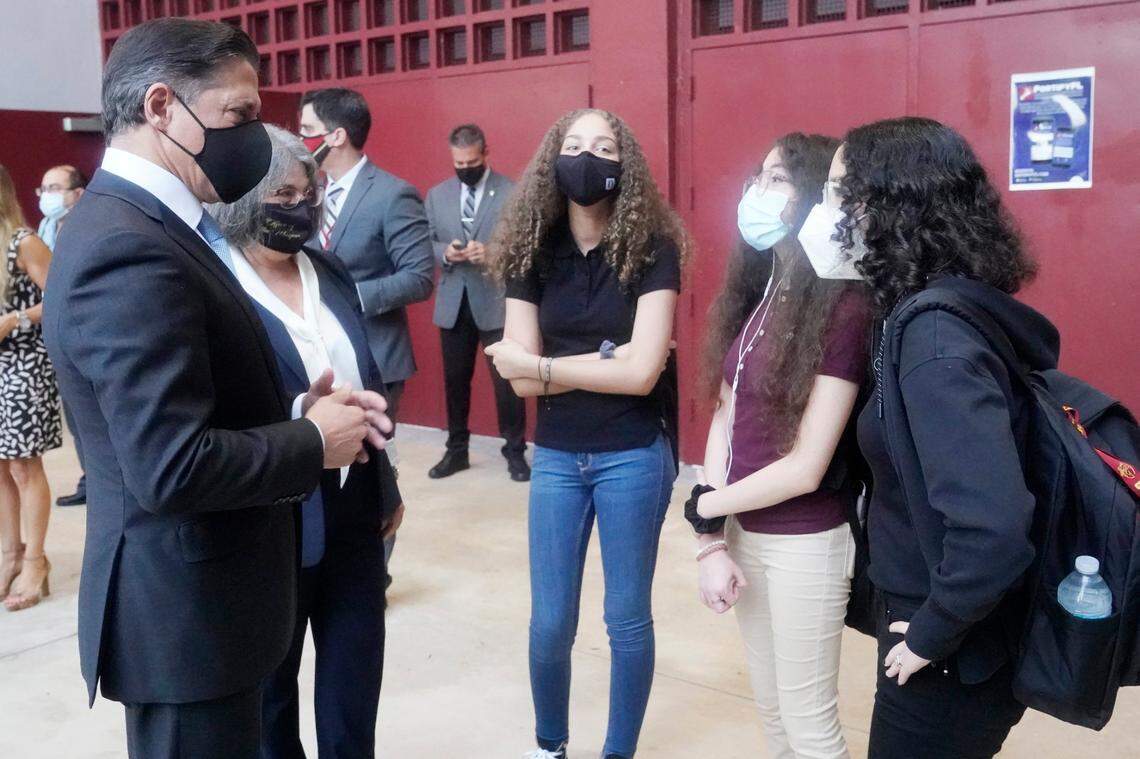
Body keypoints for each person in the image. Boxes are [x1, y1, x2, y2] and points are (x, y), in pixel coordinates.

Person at [41, 20, 390, 759]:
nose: (254, 135)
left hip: (212, 608)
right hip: (184, 620)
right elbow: (168, 465)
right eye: (238, 114)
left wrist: (294, 410)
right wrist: (310, 441)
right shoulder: (128, 244)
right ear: (163, 106)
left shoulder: (157, 224)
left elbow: (187, 403)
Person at [485, 108, 689, 759]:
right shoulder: (529, 249)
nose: (588, 157)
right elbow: (517, 382)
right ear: (553, 158)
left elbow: (640, 375)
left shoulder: (653, 249)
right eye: (575, 145)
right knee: (550, 623)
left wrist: (548, 365)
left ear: (624, 164)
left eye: (604, 146)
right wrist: (608, 359)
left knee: (625, 619)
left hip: (633, 452)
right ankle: (552, 745)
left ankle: (617, 751)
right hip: (558, 456)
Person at [839, 117, 1044, 758]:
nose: (830, 212)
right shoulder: (943, 309)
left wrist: (932, 632)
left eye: (842, 194)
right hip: (943, 620)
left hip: (953, 642)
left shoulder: (934, 340)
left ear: (893, 207)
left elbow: (996, 528)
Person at [209, 125, 404, 759]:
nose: (301, 206)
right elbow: (210, 408)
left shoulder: (328, 268)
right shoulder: (212, 280)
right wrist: (301, 418)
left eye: (309, 191)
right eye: (284, 193)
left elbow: (366, 378)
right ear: (243, 198)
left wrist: (387, 483)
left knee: (354, 683)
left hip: (352, 503)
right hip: (268, 515)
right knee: (271, 697)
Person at [687, 133, 871, 759]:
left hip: (804, 542)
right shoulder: (766, 292)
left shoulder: (846, 307)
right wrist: (713, 534)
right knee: (772, 715)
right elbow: (726, 411)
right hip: (743, 532)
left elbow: (806, 466)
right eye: (758, 177)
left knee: (811, 726)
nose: (756, 192)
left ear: (819, 196)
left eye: (777, 179)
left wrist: (708, 508)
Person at [299, 87, 433, 584]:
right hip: (317, 358)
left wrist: (344, 294)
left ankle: (377, 573)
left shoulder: (392, 193)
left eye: (307, 129)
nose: (300, 138)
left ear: (336, 135)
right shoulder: (305, 192)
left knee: (375, 465)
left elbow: (419, 276)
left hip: (377, 355)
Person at [425, 123, 528, 482]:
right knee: (455, 382)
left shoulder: (511, 191)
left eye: (471, 161)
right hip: (454, 302)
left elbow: (523, 245)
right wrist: (446, 252)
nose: (464, 167)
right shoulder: (437, 195)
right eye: (458, 162)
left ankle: (515, 452)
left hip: (495, 303)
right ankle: (456, 452)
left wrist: (492, 252)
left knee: (507, 383)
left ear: (485, 154)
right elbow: (426, 242)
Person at [0, 163, 62, 612]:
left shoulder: (24, 242)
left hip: (23, 361)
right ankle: (10, 552)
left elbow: (63, 292)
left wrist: (15, 319)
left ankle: (36, 560)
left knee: (24, 465)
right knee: (1, 467)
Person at [34, 164, 90, 508]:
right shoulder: (45, 228)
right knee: (77, 418)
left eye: (55, 188)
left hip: (85, 335)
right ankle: (90, 478)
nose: (47, 196)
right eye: (44, 189)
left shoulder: (88, 228)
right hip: (59, 338)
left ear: (77, 194)